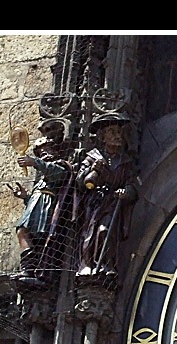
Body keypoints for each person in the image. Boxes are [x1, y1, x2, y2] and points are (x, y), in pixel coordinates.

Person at [74, 113, 138, 279]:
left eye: (119, 132)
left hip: (112, 202)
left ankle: (106, 264)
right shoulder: (92, 158)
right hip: (94, 203)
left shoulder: (126, 161)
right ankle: (87, 265)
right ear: (103, 138)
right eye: (112, 132)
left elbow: (132, 185)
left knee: (105, 230)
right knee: (89, 234)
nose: (117, 136)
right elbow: (81, 182)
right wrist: (92, 169)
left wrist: (126, 192)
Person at [7, 136, 74, 287]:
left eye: (48, 149)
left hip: (47, 205)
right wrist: (25, 197)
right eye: (41, 152)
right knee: (22, 232)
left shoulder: (59, 165)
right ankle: (29, 268)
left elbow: (59, 174)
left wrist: (35, 162)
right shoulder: (42, 175)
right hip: (35, 204)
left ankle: (36, 271)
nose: (45, 153)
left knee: (38, 236)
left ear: (55, 150)